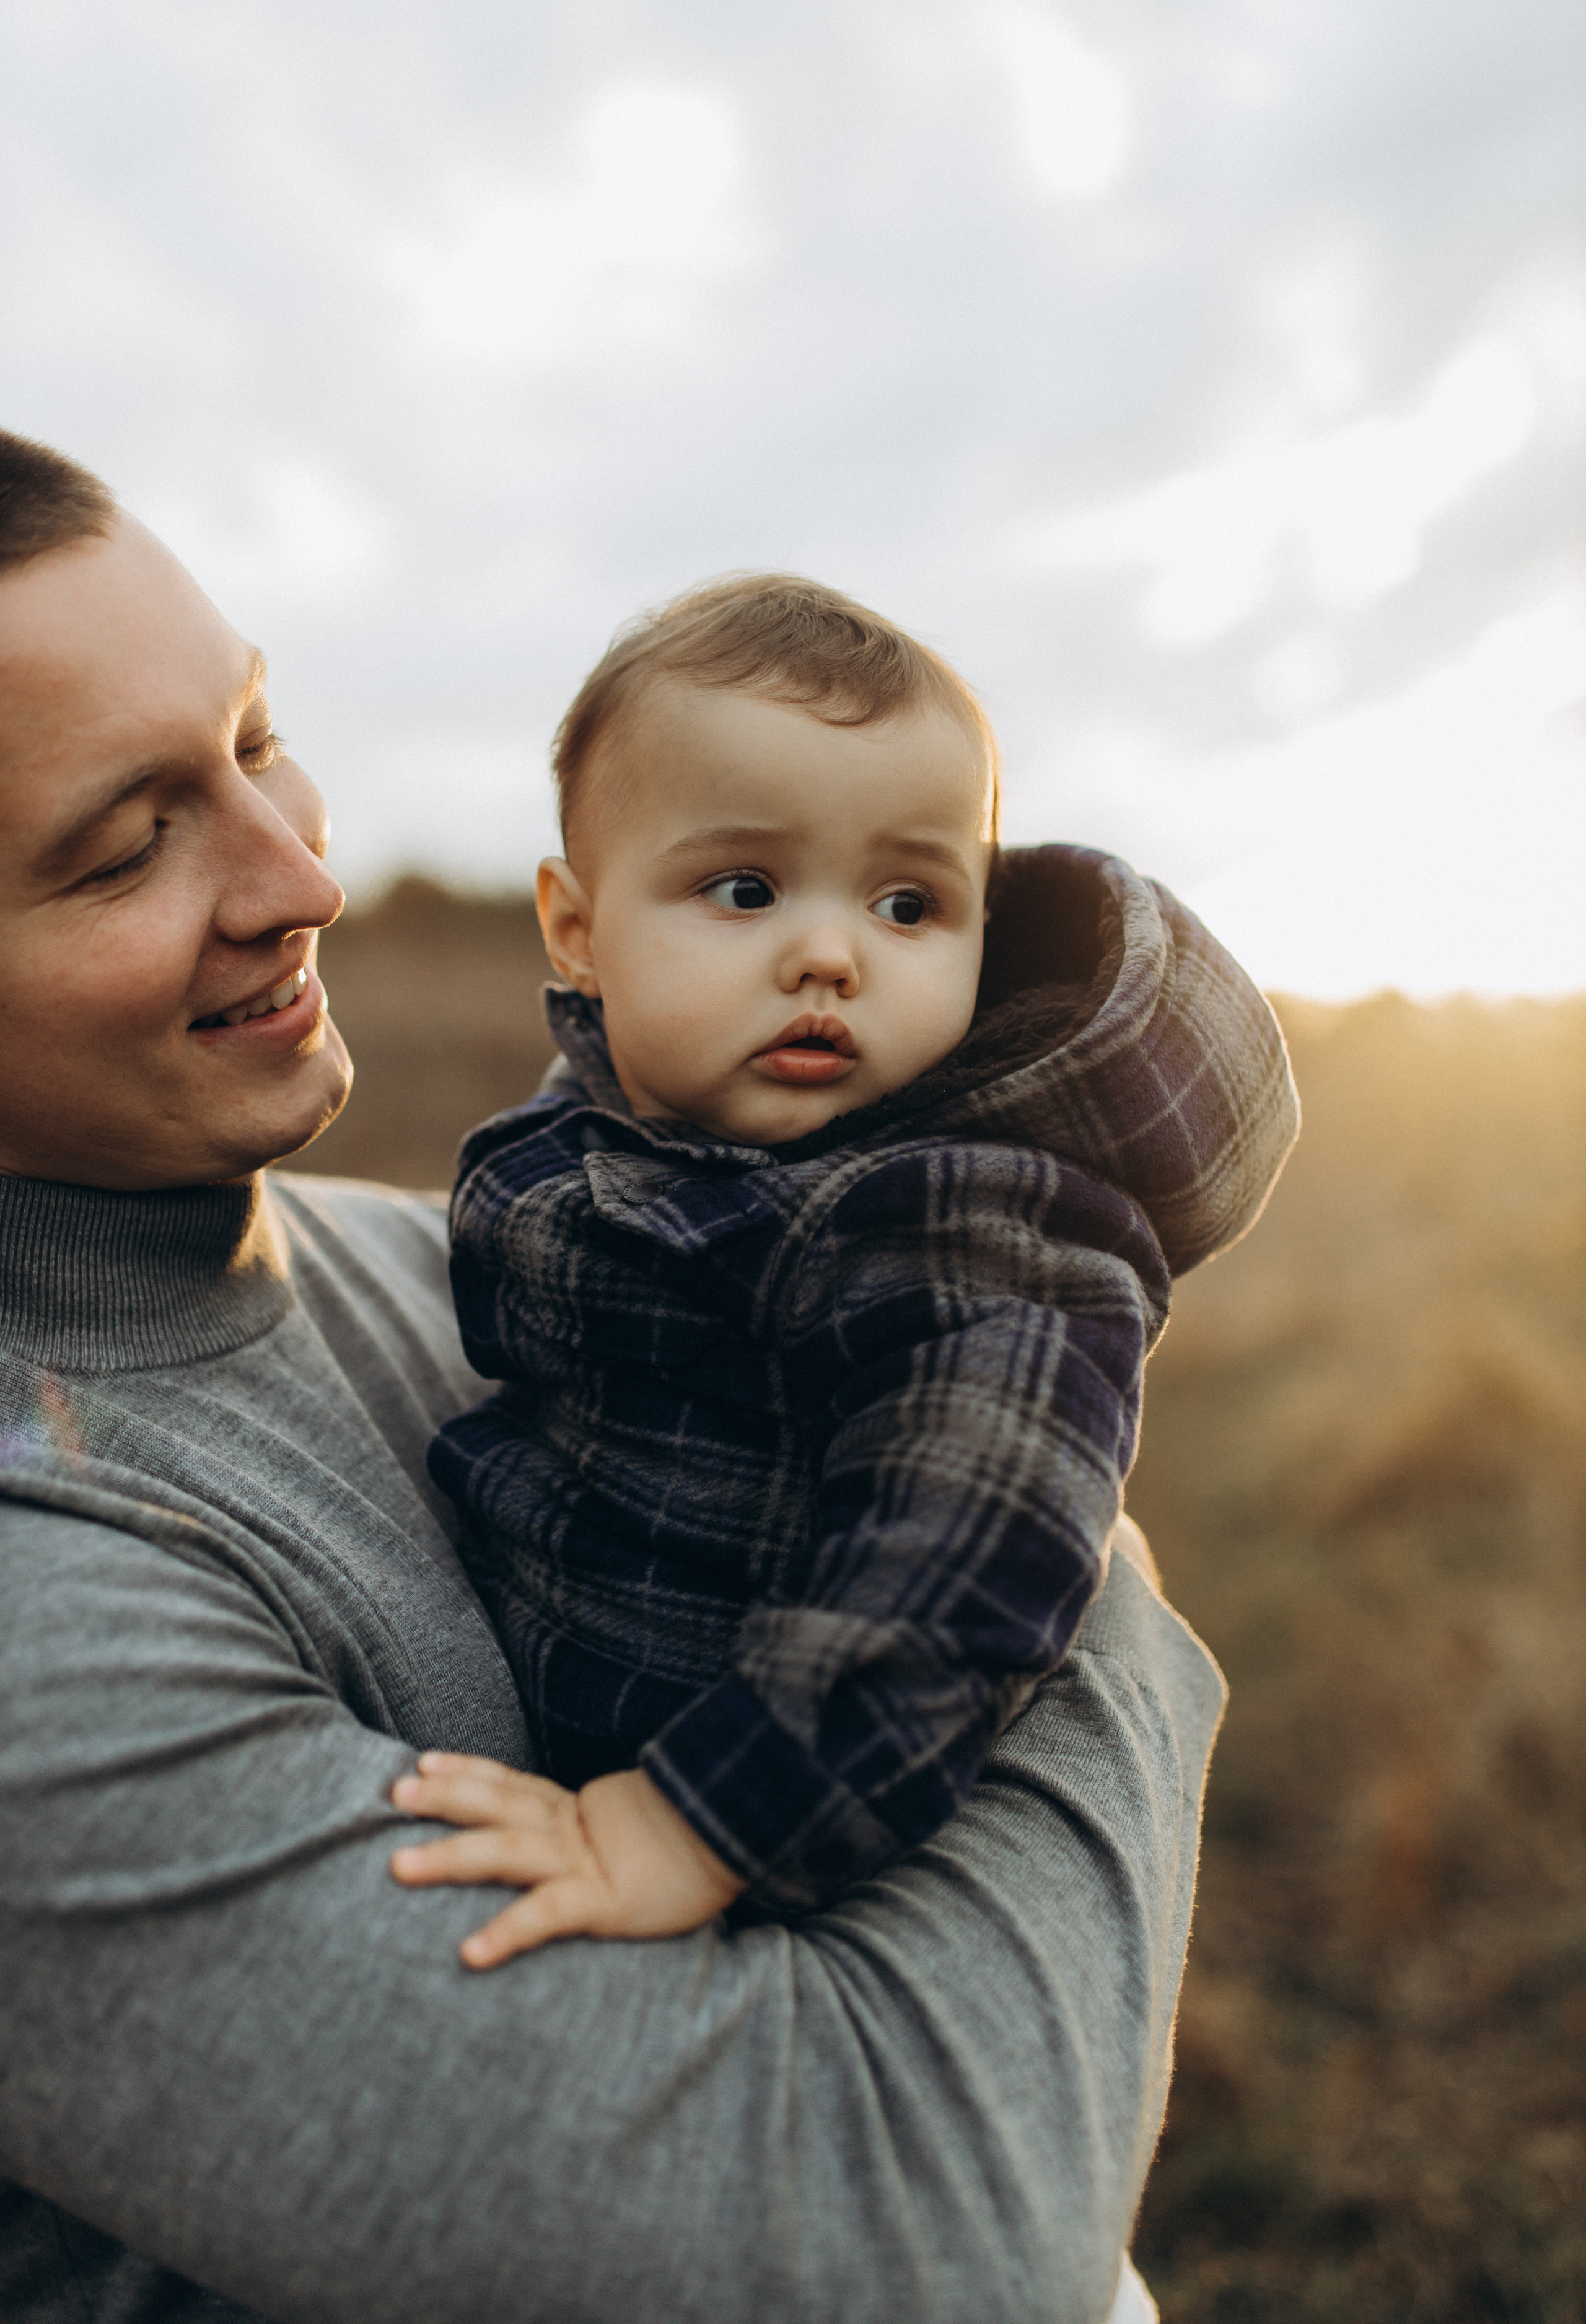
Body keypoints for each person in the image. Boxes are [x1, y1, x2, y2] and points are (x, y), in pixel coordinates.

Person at [0, 426, 1231, 2324]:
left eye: (255, 741)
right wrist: (1080, 1572)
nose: (299, 877)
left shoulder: (485, 1255)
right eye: (123, 846)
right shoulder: (41, 1618)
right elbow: (936, 2252)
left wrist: (1013, 1383)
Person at [391, 576, 1299, 1968]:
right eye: (742, 890)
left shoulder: (956, 1221)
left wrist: (701, 1825)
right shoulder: (636, 1120)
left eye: (906, 903)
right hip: (558, 1719)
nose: (828, 953)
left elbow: (959, 1567)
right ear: (576, 930)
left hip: (753, 1822)